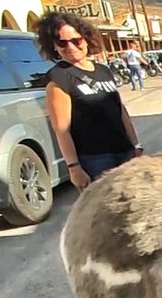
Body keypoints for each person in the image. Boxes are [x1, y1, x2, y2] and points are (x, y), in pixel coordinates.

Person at [35, 11, 142, 190]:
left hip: (124, 152)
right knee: (106, 214)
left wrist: (136, 145)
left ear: (85, 39)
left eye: (76, 40)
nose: (70, 46)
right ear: (54, 46)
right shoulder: (59, 78)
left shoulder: (103, 71)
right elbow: (62, 129)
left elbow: (120, 111)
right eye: (62, 42)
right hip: (95, 160)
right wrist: (74, 167)